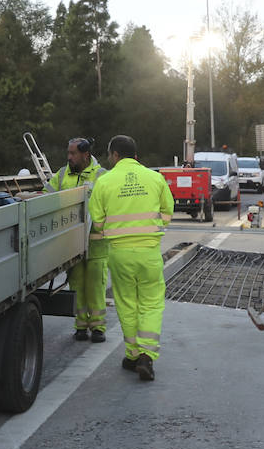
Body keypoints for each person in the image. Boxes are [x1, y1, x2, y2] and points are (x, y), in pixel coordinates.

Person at [89, 135, 173, 381]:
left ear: (115, 155)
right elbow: (168, 210)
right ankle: (147, 356)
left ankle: (133, 355)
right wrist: (154, 229)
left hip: (119, 253)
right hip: (149, 252)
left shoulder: (105, 182)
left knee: (127, 303)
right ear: (135, 154)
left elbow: (97, 221)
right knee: (152, 303)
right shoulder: (155, 178)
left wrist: (113, 231)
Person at [45, 138, 108, 341]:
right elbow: (48, 195)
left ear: (85, 155)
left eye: (73, 154)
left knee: (96, 286)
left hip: (96, 244)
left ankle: (98, 328)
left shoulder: (101, 176)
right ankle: (81, 326)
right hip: (72, 243)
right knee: (76, 285)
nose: (69, 157)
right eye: (68, 153)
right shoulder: (62, 174)